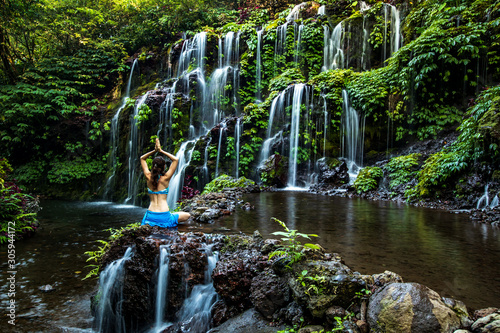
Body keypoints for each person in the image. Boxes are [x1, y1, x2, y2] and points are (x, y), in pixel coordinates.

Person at [140, 138, 190, 228]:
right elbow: (175, 160)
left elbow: (142, 158)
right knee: (187, 215)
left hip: (150, 216)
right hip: (164, 215)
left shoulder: (148, 177)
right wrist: (161, 151)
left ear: (153, 166)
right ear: (163, 167)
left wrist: (154, 151)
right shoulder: (166, 179)